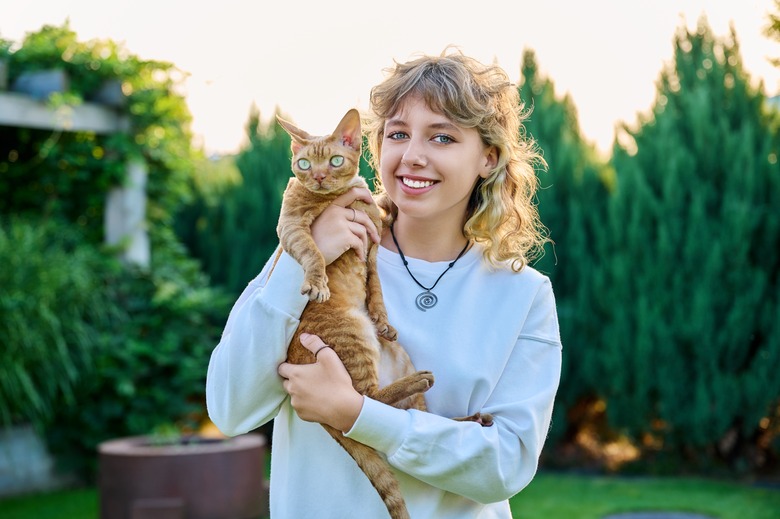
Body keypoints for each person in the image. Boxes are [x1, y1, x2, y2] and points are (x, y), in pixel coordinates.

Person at [206, 49, 562, 518]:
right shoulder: (310, 252)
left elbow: (505, 466)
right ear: (374, 148)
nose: (413, 156)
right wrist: (301, 260)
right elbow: (231, 409)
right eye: (398, 134)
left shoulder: (522, 293)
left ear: (488, 159)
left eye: (442, 137)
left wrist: (359, 416)